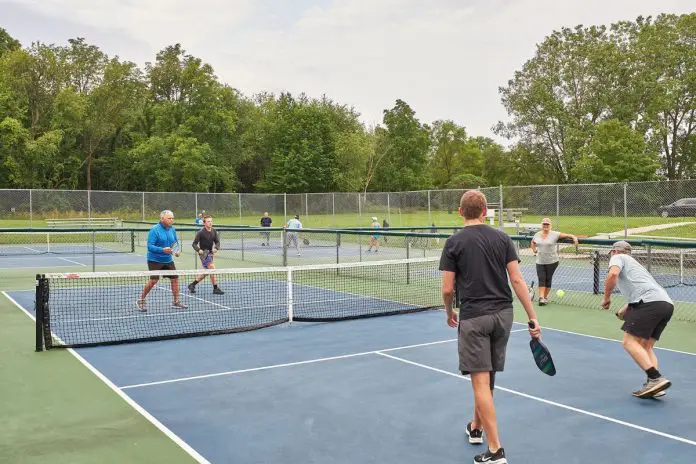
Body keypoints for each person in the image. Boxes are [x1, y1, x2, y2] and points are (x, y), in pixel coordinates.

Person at [440, 190, 540, 464]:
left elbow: (448, 289)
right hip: (504, 316)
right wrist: (533, 318)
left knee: (480, 382)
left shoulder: (453, 242)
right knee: (487, 378)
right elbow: (518, 281)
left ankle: (496, 451)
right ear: (485, 211)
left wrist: (449, 312)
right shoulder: (503, 238)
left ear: (461, 212)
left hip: (474, 317)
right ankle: (476, 428)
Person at [601, 240, 674, 398]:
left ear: (615, 251)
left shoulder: (618, 258)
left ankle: (655, 378)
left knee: (629, 342)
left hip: (649, 304)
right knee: (646, 347)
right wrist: (627, 308)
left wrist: (606, 298)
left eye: (612, 253)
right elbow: (643, 291)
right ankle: (655, 386)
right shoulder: (636, 266)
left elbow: (613, 274)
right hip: (666, 305)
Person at [136, 210, 187, 311]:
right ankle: (141, 299)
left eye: (172, 218)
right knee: (153, 280)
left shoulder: (172, 229)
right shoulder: (154, 230)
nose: (171, 220)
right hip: (154, 260)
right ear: (162, 218)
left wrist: (177, 251)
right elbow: (150, 246)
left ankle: (176, 302)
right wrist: (162, 250)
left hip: (168, 260)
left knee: (175, 279)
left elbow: (175, 242)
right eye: (169, 218)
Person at [530, 217, 578, 305]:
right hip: (540, 261)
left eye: (547, 224)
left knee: (548, 279)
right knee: (541, 278)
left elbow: (567, 235)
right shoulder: (537, 234)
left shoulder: (555, 234)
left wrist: (574, 237)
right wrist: (534, 250)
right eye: (544, 224)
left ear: (550, 225)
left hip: (552, 261)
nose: (545, 226)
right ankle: (541, 298)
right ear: (542, 225)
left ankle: (545, 297)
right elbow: (532, 242)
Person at [188, 215, 224, 295]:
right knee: (212, 268)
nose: (210, 223)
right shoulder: (201, 232)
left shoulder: (214, 231)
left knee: (207, 272)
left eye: (211, 221)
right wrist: (199, 250)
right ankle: (215, 288)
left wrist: (216, 248)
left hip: (210, 254)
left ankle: (192, 284)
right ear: (204, 223)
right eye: (208, 221)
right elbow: (194, 244)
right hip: (204, 254)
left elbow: (217, 242)